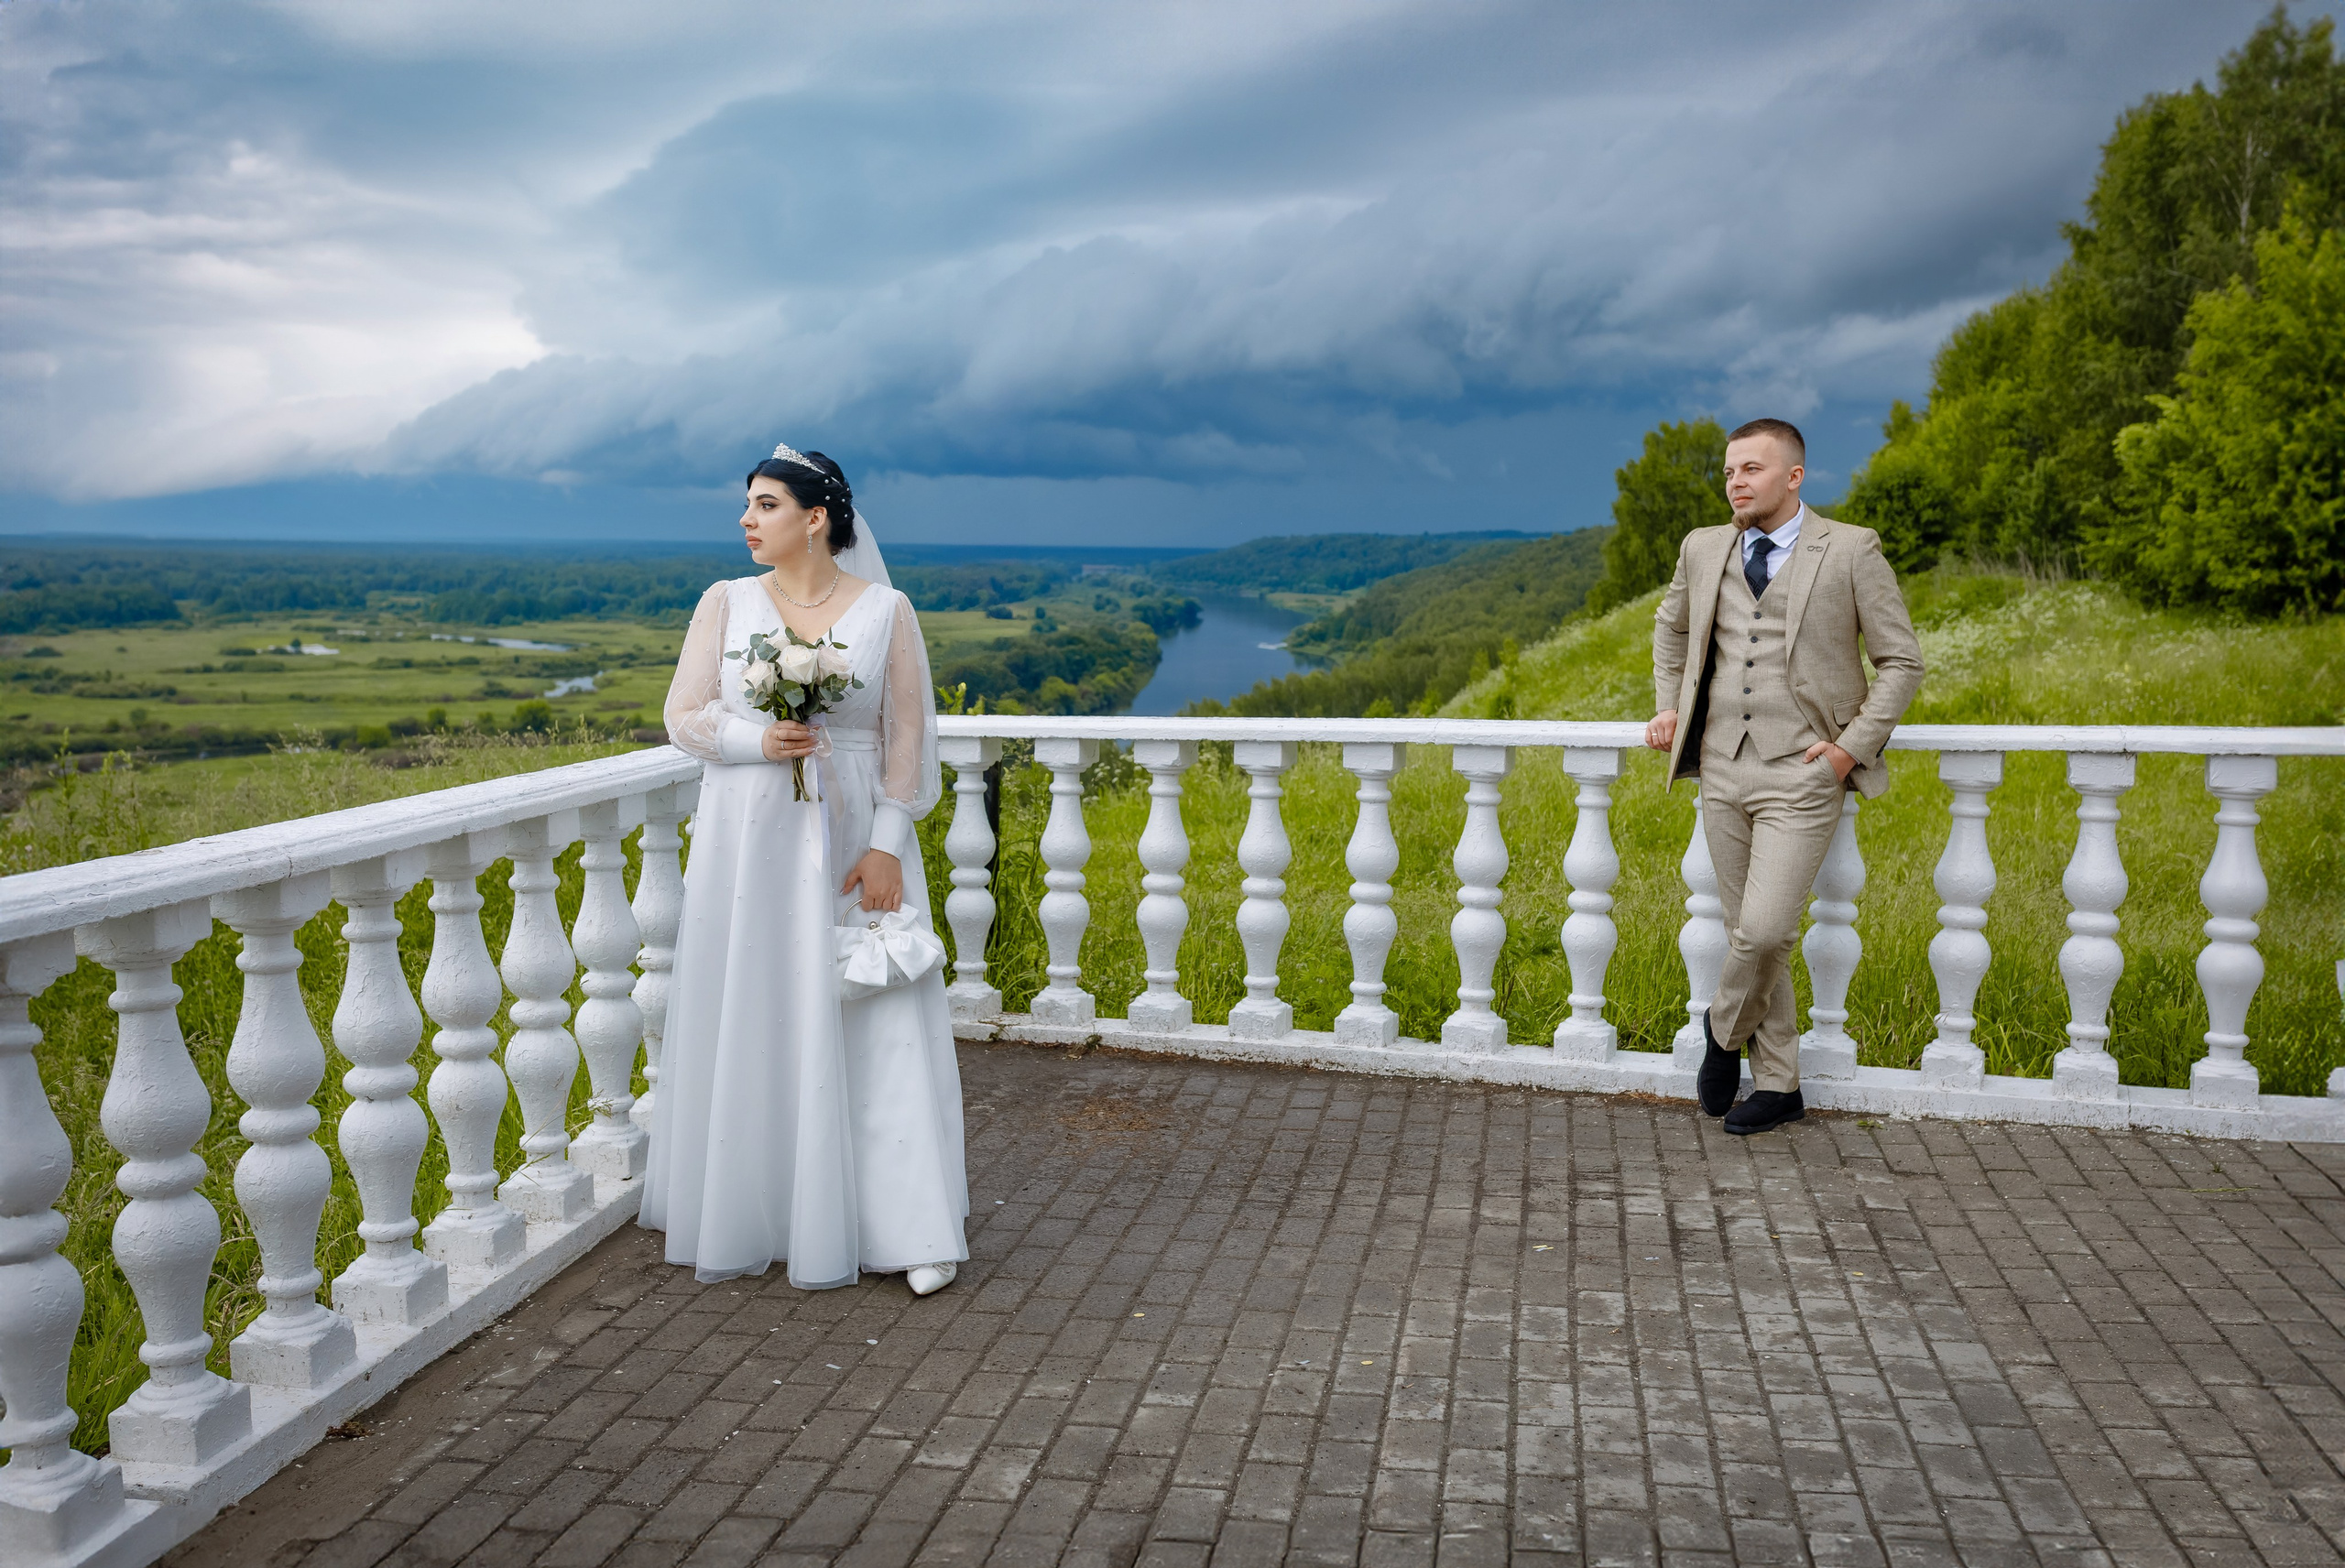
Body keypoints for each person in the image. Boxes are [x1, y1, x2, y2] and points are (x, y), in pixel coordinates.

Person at [641, 443, 967, 1292]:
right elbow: (683, 715)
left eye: (765, 505)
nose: (747, 521)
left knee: (874, 1010)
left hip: (855, 827)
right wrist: (758, 739)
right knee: (762, 1006)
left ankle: (911, 1226)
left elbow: (906, 736)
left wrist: (889, 841)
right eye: (747, 506)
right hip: (749, 835)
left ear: (815, 518)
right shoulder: (728, 602)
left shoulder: (886, 610)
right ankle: (771, 1208)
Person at [1645, 418, 1925, 1135]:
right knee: (1749, 931)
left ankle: (1721, 1031)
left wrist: (1848, 749)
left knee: (1766, 933)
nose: (1735, 481)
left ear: (1794, 477)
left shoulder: (1852, 549)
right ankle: (1778, 1085)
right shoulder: (1703, 547)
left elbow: (1902, 662)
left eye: (1752, 469)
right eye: (1730, 470)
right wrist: (1670, 706)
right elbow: (1671, 628)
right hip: (1721, 768)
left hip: (1803, 773)